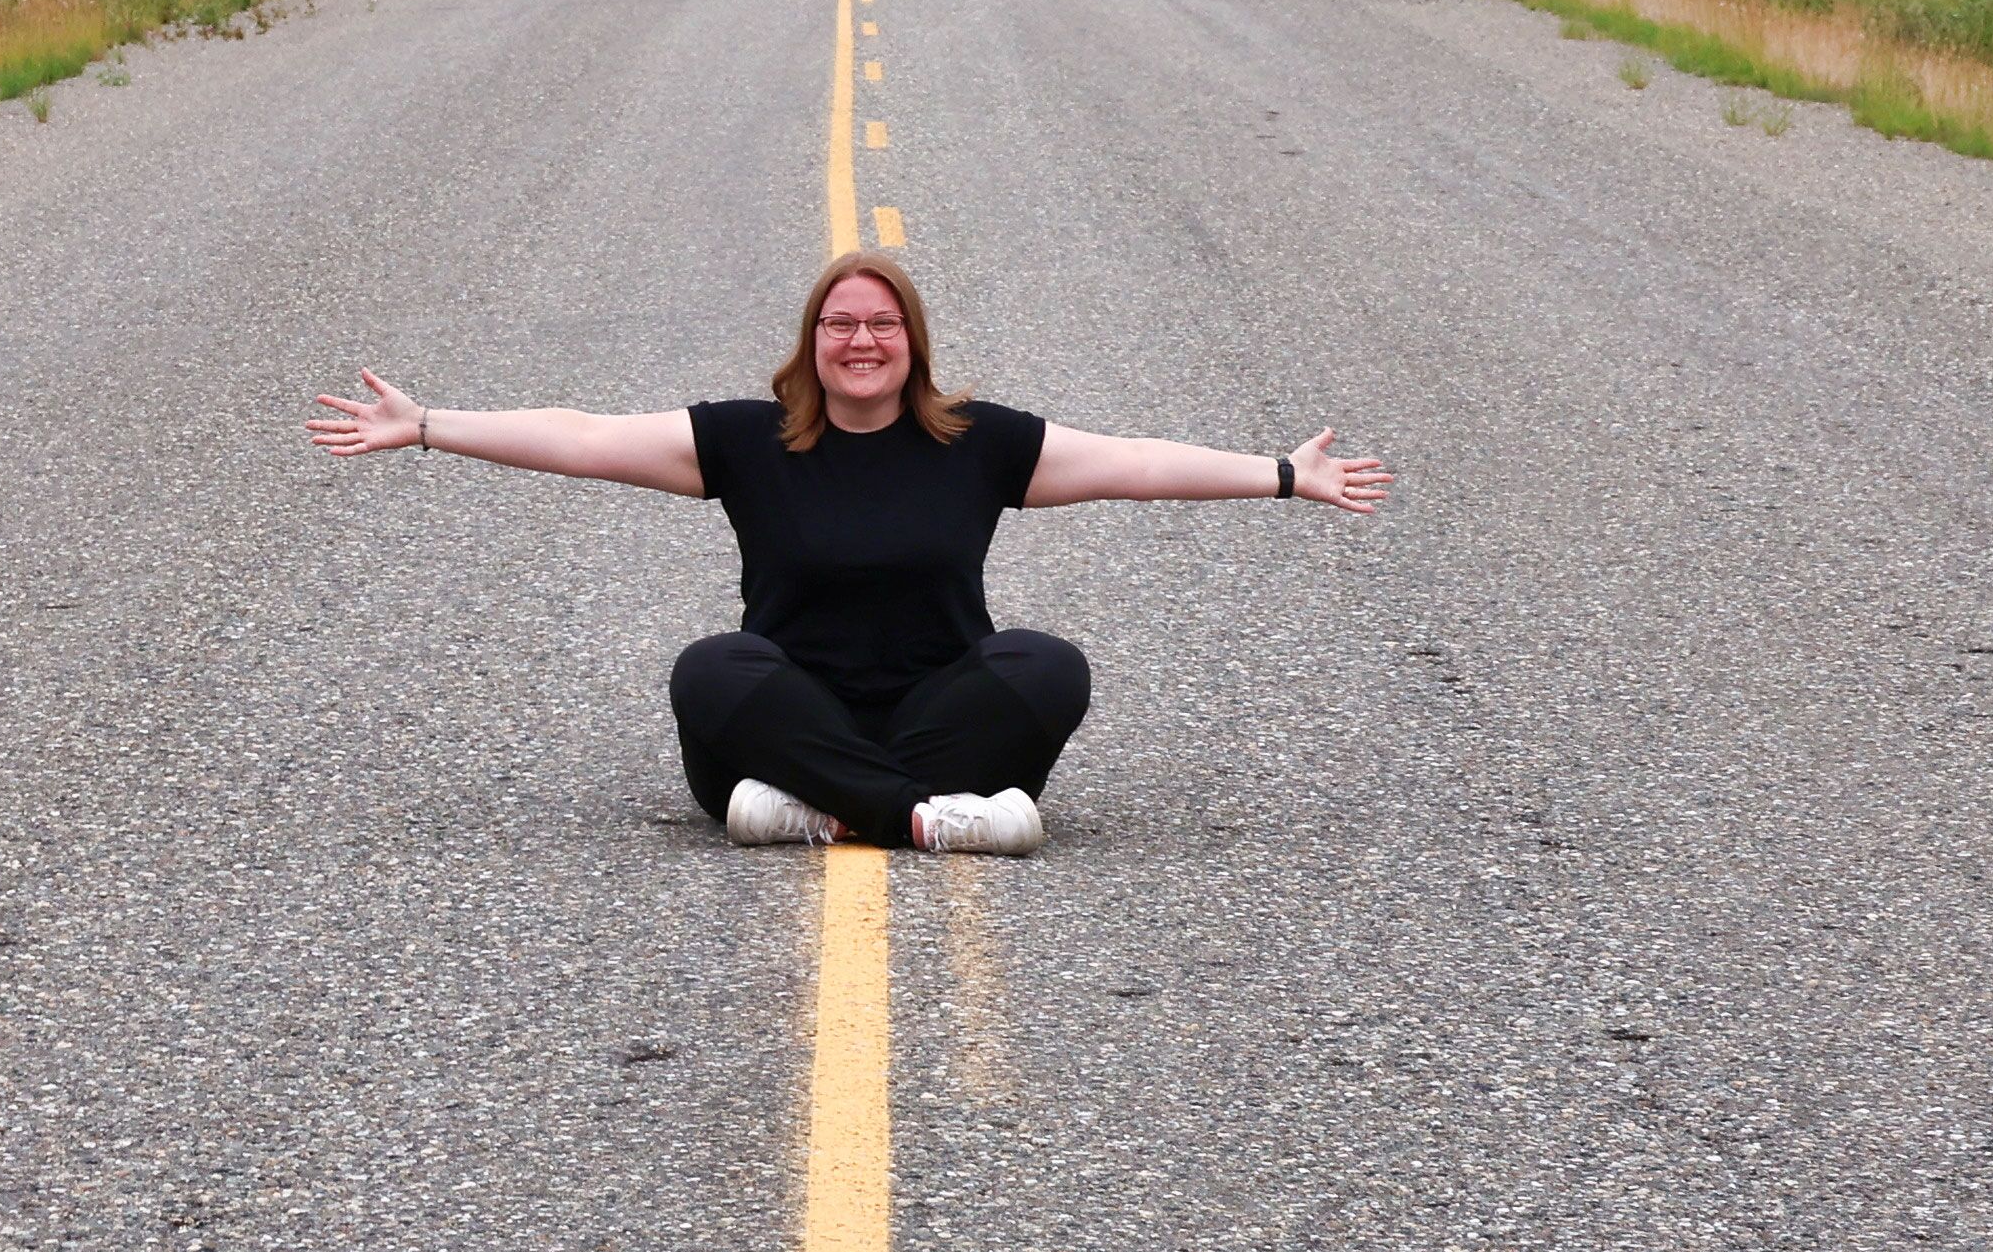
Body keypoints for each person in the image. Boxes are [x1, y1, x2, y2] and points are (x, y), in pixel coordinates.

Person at [306, 247, 1388, 854]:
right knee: (712, 668)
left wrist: (1282, 474)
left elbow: (1134, 463)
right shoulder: (746, 439)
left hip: (923, 723)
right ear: (811, 343)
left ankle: (826, 813)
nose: (861, 340)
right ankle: (925, 819)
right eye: (840, 325)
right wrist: (428, 424)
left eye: (881, 324)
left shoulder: (978, 443)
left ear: (911, 341)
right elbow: (583, 436)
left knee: (1048, 664)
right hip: (785, 721)